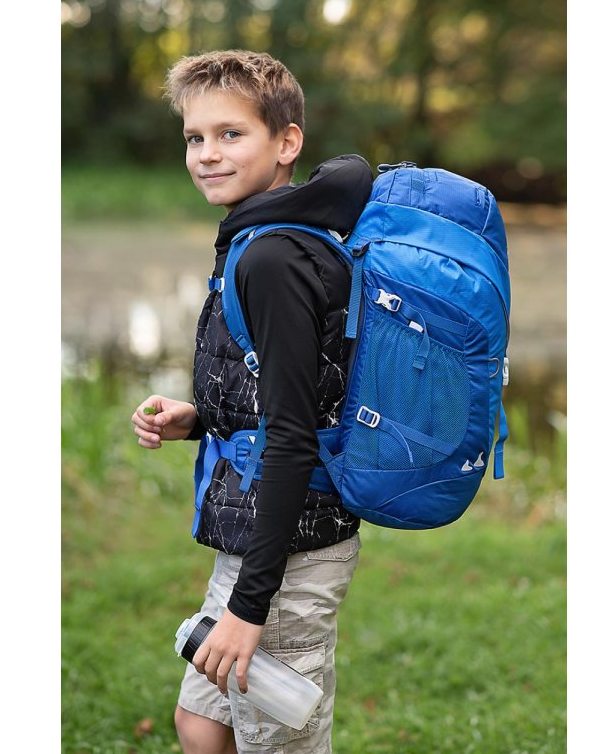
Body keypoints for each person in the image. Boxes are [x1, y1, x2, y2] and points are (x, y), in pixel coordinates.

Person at [130, 49, 373, 754]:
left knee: (274, 741)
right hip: (257, 536)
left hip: (288, 554)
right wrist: (201, 420)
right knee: (203, 725)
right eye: (194, 137)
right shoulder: (262, 239)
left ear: (286, 142)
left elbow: (294, 436)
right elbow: (297, 389)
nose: (207, 154)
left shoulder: (272, 258)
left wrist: (249, 605)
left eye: (230, 134)